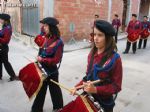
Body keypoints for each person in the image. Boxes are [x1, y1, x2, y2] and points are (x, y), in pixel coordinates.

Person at [71, 20, 123, 112]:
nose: (95, 38)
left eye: (100, 35)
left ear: (107, 38)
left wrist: (96, 89)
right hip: (89, 98)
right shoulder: (91, 54)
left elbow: (116, 86)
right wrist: (77, 87)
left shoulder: (115, 59)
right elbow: (87, 77)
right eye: (94, 35)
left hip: (104, 104)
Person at [32, 17, 64, 112]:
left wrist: (43, 59)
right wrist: (38, 60)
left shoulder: (59, 42)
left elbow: (56, 60)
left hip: (52, 71)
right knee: (41, 90)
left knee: (55, 90)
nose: (43, 28)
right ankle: (37, 109)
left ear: (51, 27)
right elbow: (41, 51)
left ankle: (58, 108)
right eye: (44, 25)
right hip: (42, 69)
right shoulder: (45, 38)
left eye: (45, 26)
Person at [0, 13, 18, 81]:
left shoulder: (8, 28)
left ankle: (13, 76)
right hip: (1, 47)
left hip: (3, 47)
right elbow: (2, 33)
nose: (0, 20)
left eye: (1, 19)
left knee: (5, 62)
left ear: (5, 20)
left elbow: (5, 40)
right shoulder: (5, 27)